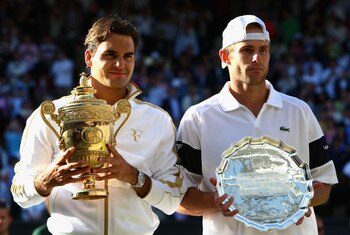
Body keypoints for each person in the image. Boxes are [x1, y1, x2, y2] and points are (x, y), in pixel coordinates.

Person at [11, 14, 186, 235]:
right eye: (110, 55)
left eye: (128, 56)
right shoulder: (50, 115)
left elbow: (172, 199)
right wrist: (45, 181)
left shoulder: (157, 120)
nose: (120, 64)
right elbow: (19, 192)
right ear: (89, 57)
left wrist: (135, 177)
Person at [176, 15, 338, 235]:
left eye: (263, 50)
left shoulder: (299, 111)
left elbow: (324, 184)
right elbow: (178, 197)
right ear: (225, 57)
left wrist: (305, 198)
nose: (256, 58)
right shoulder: (198, 117)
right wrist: (215, 201)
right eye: (246, 50)